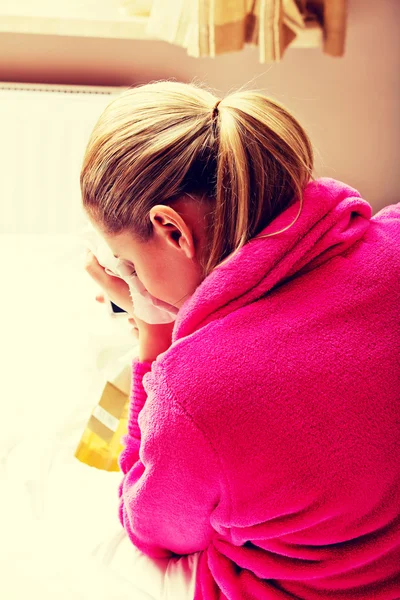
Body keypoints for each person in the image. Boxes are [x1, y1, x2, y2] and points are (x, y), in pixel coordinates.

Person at [82, 81, 400, 600]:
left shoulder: (196, 393)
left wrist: (155, 337)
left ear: (173, 231)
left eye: (132, 264)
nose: (132, 278)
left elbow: (152, 527)